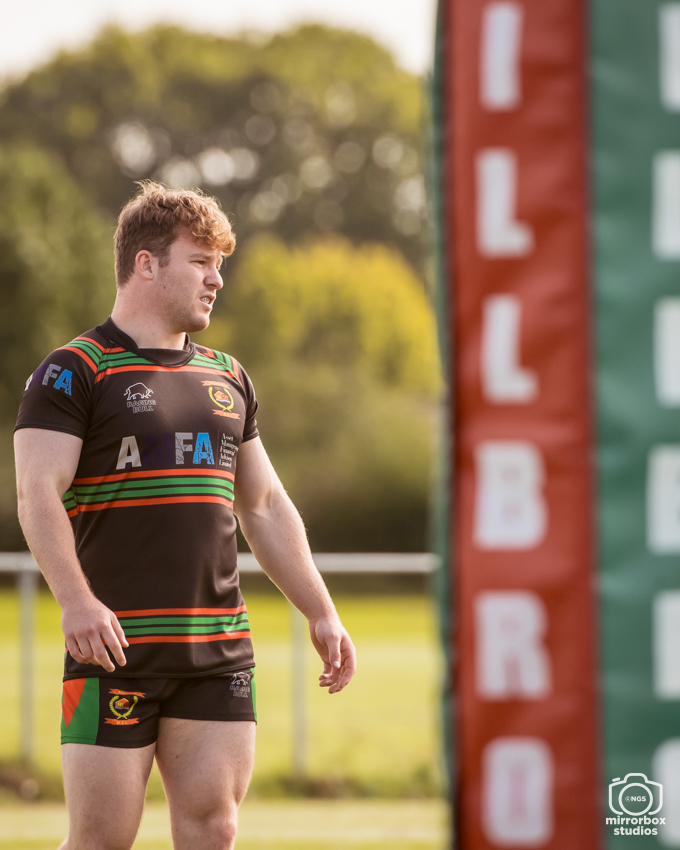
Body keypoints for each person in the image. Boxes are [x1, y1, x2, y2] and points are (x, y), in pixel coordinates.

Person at [13, 182, 357, 850]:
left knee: (214, 829)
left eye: (218, 264)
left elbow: (264, 503)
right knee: (100, 840)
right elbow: (37, 495)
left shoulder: (228, 377)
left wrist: (320, 609)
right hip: (112, 651)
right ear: (147, 264)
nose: (216, 280)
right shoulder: (72, 372)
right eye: (201, 261)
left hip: (218, 651)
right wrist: (76, 602)